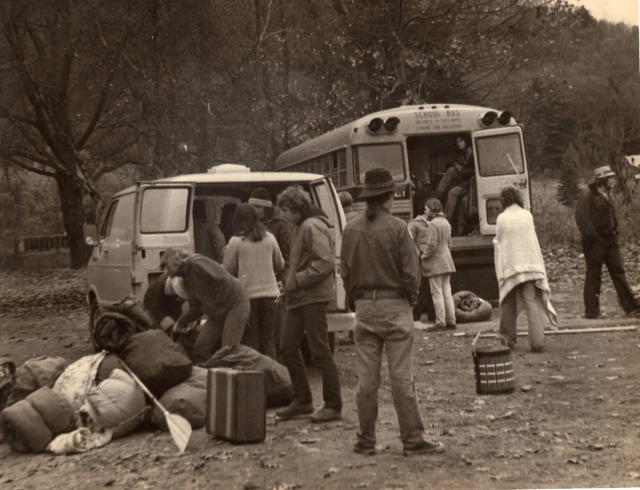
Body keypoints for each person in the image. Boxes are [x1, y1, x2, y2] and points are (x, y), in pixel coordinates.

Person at [340, 168, 444, 456]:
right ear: (389, 195)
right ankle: (412, 439)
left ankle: (365, 440)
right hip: (394, 304)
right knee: (401, 377)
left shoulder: (351, 229)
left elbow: (345, 272)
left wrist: (355, 296)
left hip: (363, 306)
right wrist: (409, 300)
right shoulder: (399, 228)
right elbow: (412, 273)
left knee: (366, 380)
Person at [275, 185, 342, 423]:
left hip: (311, 298)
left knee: (319, 351)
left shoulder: (311, 226)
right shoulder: (302, 226)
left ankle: (333, 404)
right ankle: (303, 401)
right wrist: (290, 286)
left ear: (295, 208)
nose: (281, 214)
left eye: (284, 210)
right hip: (301, 297)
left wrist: (296, 282)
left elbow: (324, 263)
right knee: (287, 346)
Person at [493, 186, 557, 352]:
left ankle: (507, 340)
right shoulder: (527, 216)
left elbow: (500, 241)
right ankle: (537, 342)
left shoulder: (501, 218)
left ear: (503, 200)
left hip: (511, 266)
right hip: (529, 265)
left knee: (507, 301)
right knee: (531, 302)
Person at [574, 166, 640, 318]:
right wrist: (594, 237)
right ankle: (592, 312)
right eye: (610, 178)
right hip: (595, 243)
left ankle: (631, 308)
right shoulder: (587, 195)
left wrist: (614, 230)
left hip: (610, 240)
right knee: (594, 275)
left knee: (618, 273)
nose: (613, 180)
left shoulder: (606, 193)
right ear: (602, 179)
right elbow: (582, 220)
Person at [164, 251, 250, 364]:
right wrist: (181, 321)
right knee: (200, 347)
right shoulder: (186, 282)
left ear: (176, 264)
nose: (168, 271)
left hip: (235, 304)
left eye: (169, 267)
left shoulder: (196, 262)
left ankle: (232, 378)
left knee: (228, 351)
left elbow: (223, 280)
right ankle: (206, 376)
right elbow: (197, 308)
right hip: (218, 311)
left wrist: (218, 304)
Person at [223, 203, 284, 359]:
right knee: (268, 340)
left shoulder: (235, 242)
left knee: (252, 341)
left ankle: (257, 379)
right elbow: (280, 264)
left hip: (248, 297)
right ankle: (272, 377)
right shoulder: (270, 238)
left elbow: (228, 271)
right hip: (271, 297)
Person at [248, 187, 295, 354]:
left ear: (264, 208)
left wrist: (283, 278)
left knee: (275, 334)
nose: (252, 212)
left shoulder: (282, 225)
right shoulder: (254, 223)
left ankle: (277, 371)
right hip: (260, 284)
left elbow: (289, 257)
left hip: (276, 284)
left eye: (256, 208)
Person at [420, 198, 456, 332]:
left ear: (432, 209)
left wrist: (423, 256)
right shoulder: (446, 223)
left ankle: (440, 322)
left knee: (437, 293)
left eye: (426, 208)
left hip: (436, 263)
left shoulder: (433, 224)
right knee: (447, 292)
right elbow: (449, 244)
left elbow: (431, 245)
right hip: (447, 260)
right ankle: (451, 321)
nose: (425, 211)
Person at [143, 248, 186, 332]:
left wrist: (189, 321)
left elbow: (192, 304)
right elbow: (156, 309)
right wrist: (173, 326)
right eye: (168, 268)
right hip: (153, 305)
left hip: (172, 305)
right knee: (160, 333)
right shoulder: (163, 281)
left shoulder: (186, 276)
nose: (169, 270)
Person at [407, 199, 436, 323]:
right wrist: (417, 252)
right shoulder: (414, 224)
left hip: (432, 257)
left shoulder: (435, 222)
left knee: (430, 288)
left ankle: (431, 314)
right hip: (422, 258)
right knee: (424, 286)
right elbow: (409, 239)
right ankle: (417, 314)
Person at [436, 134, 474, 211]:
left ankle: (446, 217)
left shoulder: (472, 154)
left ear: (466, 141)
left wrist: (460, 168)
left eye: (461, 141)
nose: (459, 144)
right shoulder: (461, 154)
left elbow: (473, 170)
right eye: (457, 142)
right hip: (464, 177)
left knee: (452, 192)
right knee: (451, 170)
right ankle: (438, 193)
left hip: (471, 179)